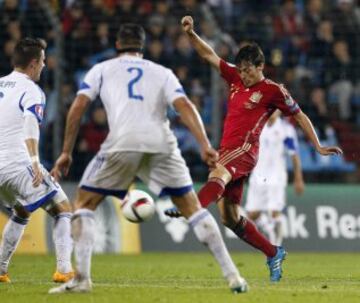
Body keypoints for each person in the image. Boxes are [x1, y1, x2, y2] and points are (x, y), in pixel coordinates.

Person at [48, 24, 248, 294]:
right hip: (162, 144)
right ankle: (233, 276)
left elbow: (78, 107)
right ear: (142, 47)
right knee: (193, 208)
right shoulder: (161, 72)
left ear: (117, 44)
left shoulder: (102, 70)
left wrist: (66, 152)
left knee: (84, 201)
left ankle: (83, 279)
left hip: (122, 143)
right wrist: (205, 145)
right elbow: (185, 107)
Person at [165, 16, 342, 282]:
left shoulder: (273, 90)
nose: (244, 75)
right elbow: (210, 56)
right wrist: (191, 34)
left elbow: (300, 116)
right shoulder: (235, 77)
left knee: (219, 175)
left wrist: (317, 146)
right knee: (230, 218)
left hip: (245, 151)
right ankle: (273, 252)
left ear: (261, 66)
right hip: (227, 149)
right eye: (242, 70)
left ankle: (191, 206)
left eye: (249, 70)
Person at [0, 38, 73, 283]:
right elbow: (30, 125)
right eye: (42, 61)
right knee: (63, 208)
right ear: (33, 63)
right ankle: (64, 270)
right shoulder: (31, 90)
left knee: (21, 211)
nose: (44, 65)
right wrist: (34, 161)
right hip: (18, 164)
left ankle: (0, 271)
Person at [245, 110, 305, 246]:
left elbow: (294, 155)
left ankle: (276, 248)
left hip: (276, 176)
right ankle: (270, 230)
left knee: (274, 212)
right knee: (252, 214)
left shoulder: (286, 130)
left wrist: (298, 178)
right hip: (258, 176)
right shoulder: (257, 127)